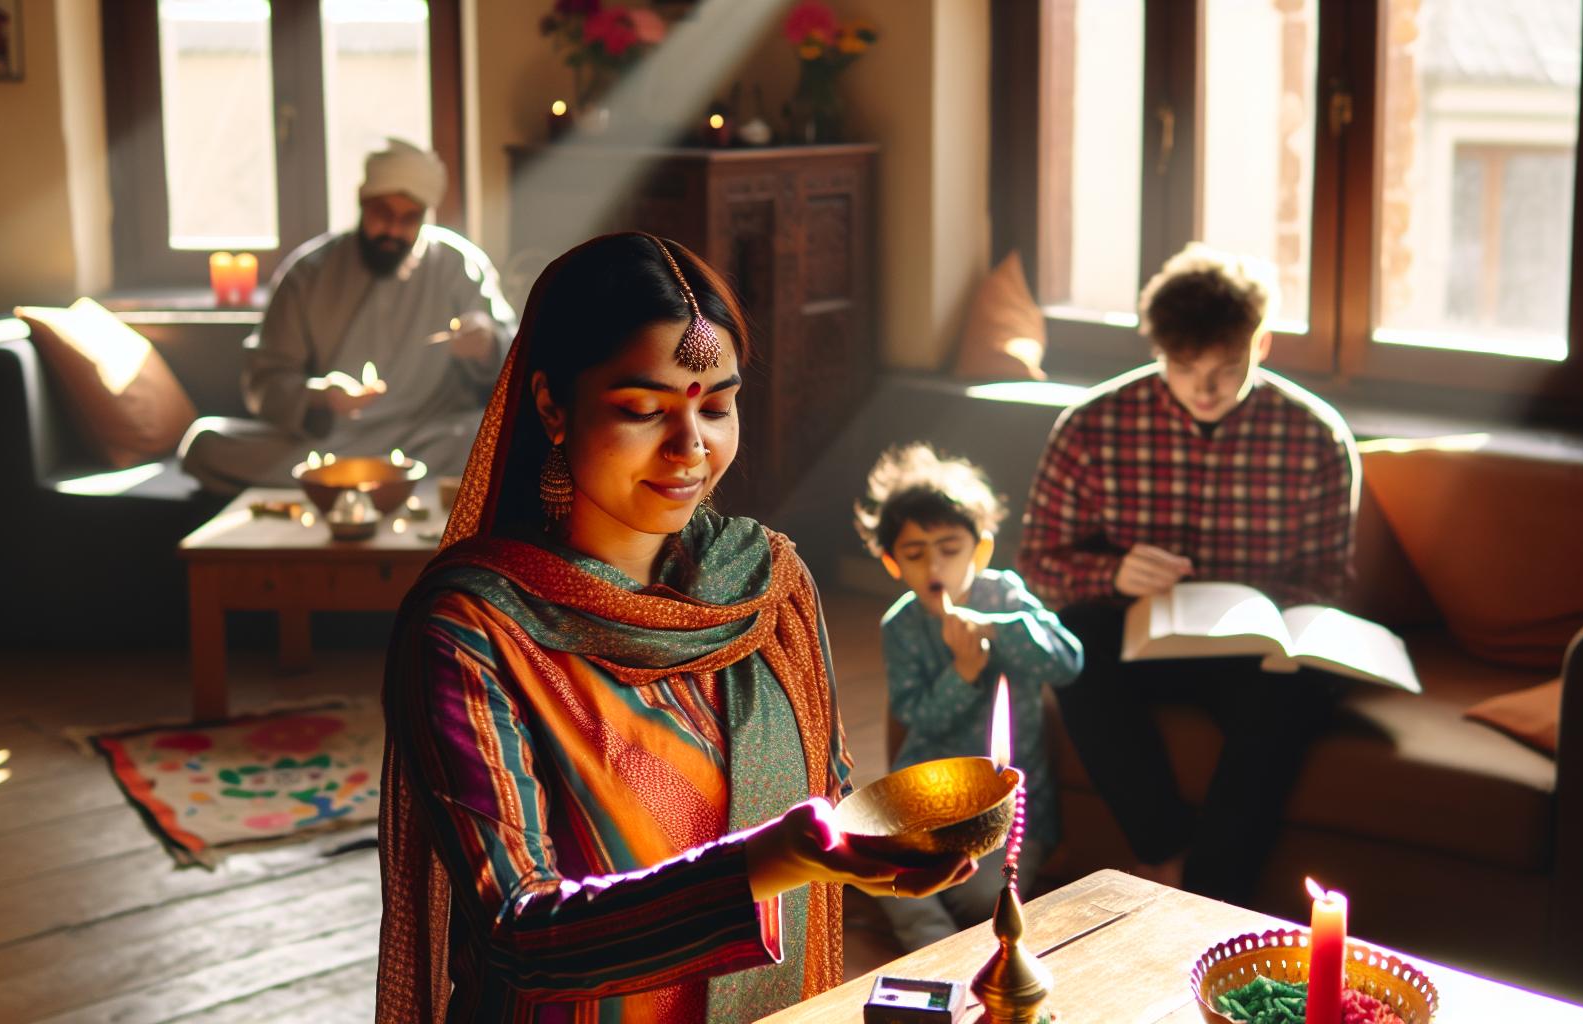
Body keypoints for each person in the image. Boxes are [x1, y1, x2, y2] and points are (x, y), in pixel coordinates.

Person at [376, 233, 976, 1023]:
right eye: (642, 409)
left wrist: (871, 847)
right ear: (553, 405)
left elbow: (823, 792)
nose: (690, 447)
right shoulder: (472, 631)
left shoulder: (766, 583)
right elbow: (518, 932)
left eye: (717, 406)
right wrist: (770, 861)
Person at [1017, 242, 1358, 905]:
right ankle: (1165, 855)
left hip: (1252, 653)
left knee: (1299, 694)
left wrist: (1261, 606)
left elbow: (1331, 581)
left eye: (1227, 368)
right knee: (1074, 648)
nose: (1205, 388)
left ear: (1262, 345)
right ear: (1157, 350)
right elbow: (1037, 564)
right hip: (1134, 636)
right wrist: (1114, 574)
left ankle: (1208, 895)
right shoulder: (1093, 425)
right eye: (1183, 366)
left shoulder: (1315, 435)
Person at [181, 138, 517, 493]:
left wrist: (487, 343)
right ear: (361, 199)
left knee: (504, 440)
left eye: (409, 218)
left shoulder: (459, 265)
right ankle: (369, 481)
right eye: (382, 213)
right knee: (205, 444)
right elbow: (263, 385)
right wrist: (320, 396)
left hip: (428, 440)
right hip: (328, 447)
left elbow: (514, 360)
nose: (393, 230)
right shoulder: (308, 273)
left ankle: (352, 484)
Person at [852, 443, 1083, 951]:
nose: (934, 566)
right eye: (914, 554)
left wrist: (998, 631)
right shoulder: (902, 626)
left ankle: (953, 925)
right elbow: (912, 714)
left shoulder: (1004, 597)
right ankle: (934, 950)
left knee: (981, 898)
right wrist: (962, 673)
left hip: (1007, 807)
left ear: (980, 550)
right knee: (873, 860)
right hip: (925, 798)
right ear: (893, 564)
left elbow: (1067, 661)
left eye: (950, 549)